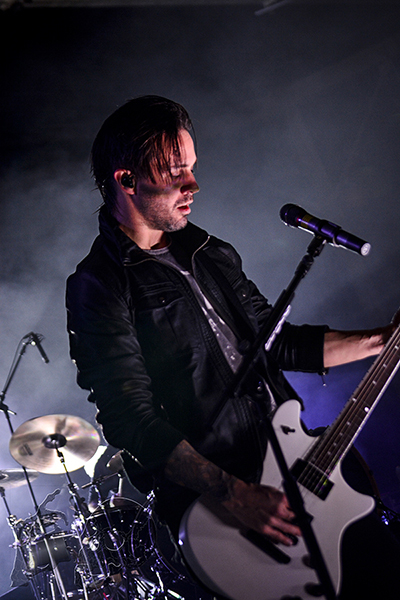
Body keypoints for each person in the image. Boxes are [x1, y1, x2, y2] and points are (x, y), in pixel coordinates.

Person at [66, 95, 400, 599]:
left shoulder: (211, 252)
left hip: (295, 468)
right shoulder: (98, 285)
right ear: (127, 179)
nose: (193, 184)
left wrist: (385, 340)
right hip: (222, 509)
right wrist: (232, 492)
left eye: (192, 168)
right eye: (175, 172)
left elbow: (277, 344)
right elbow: (128, 418)